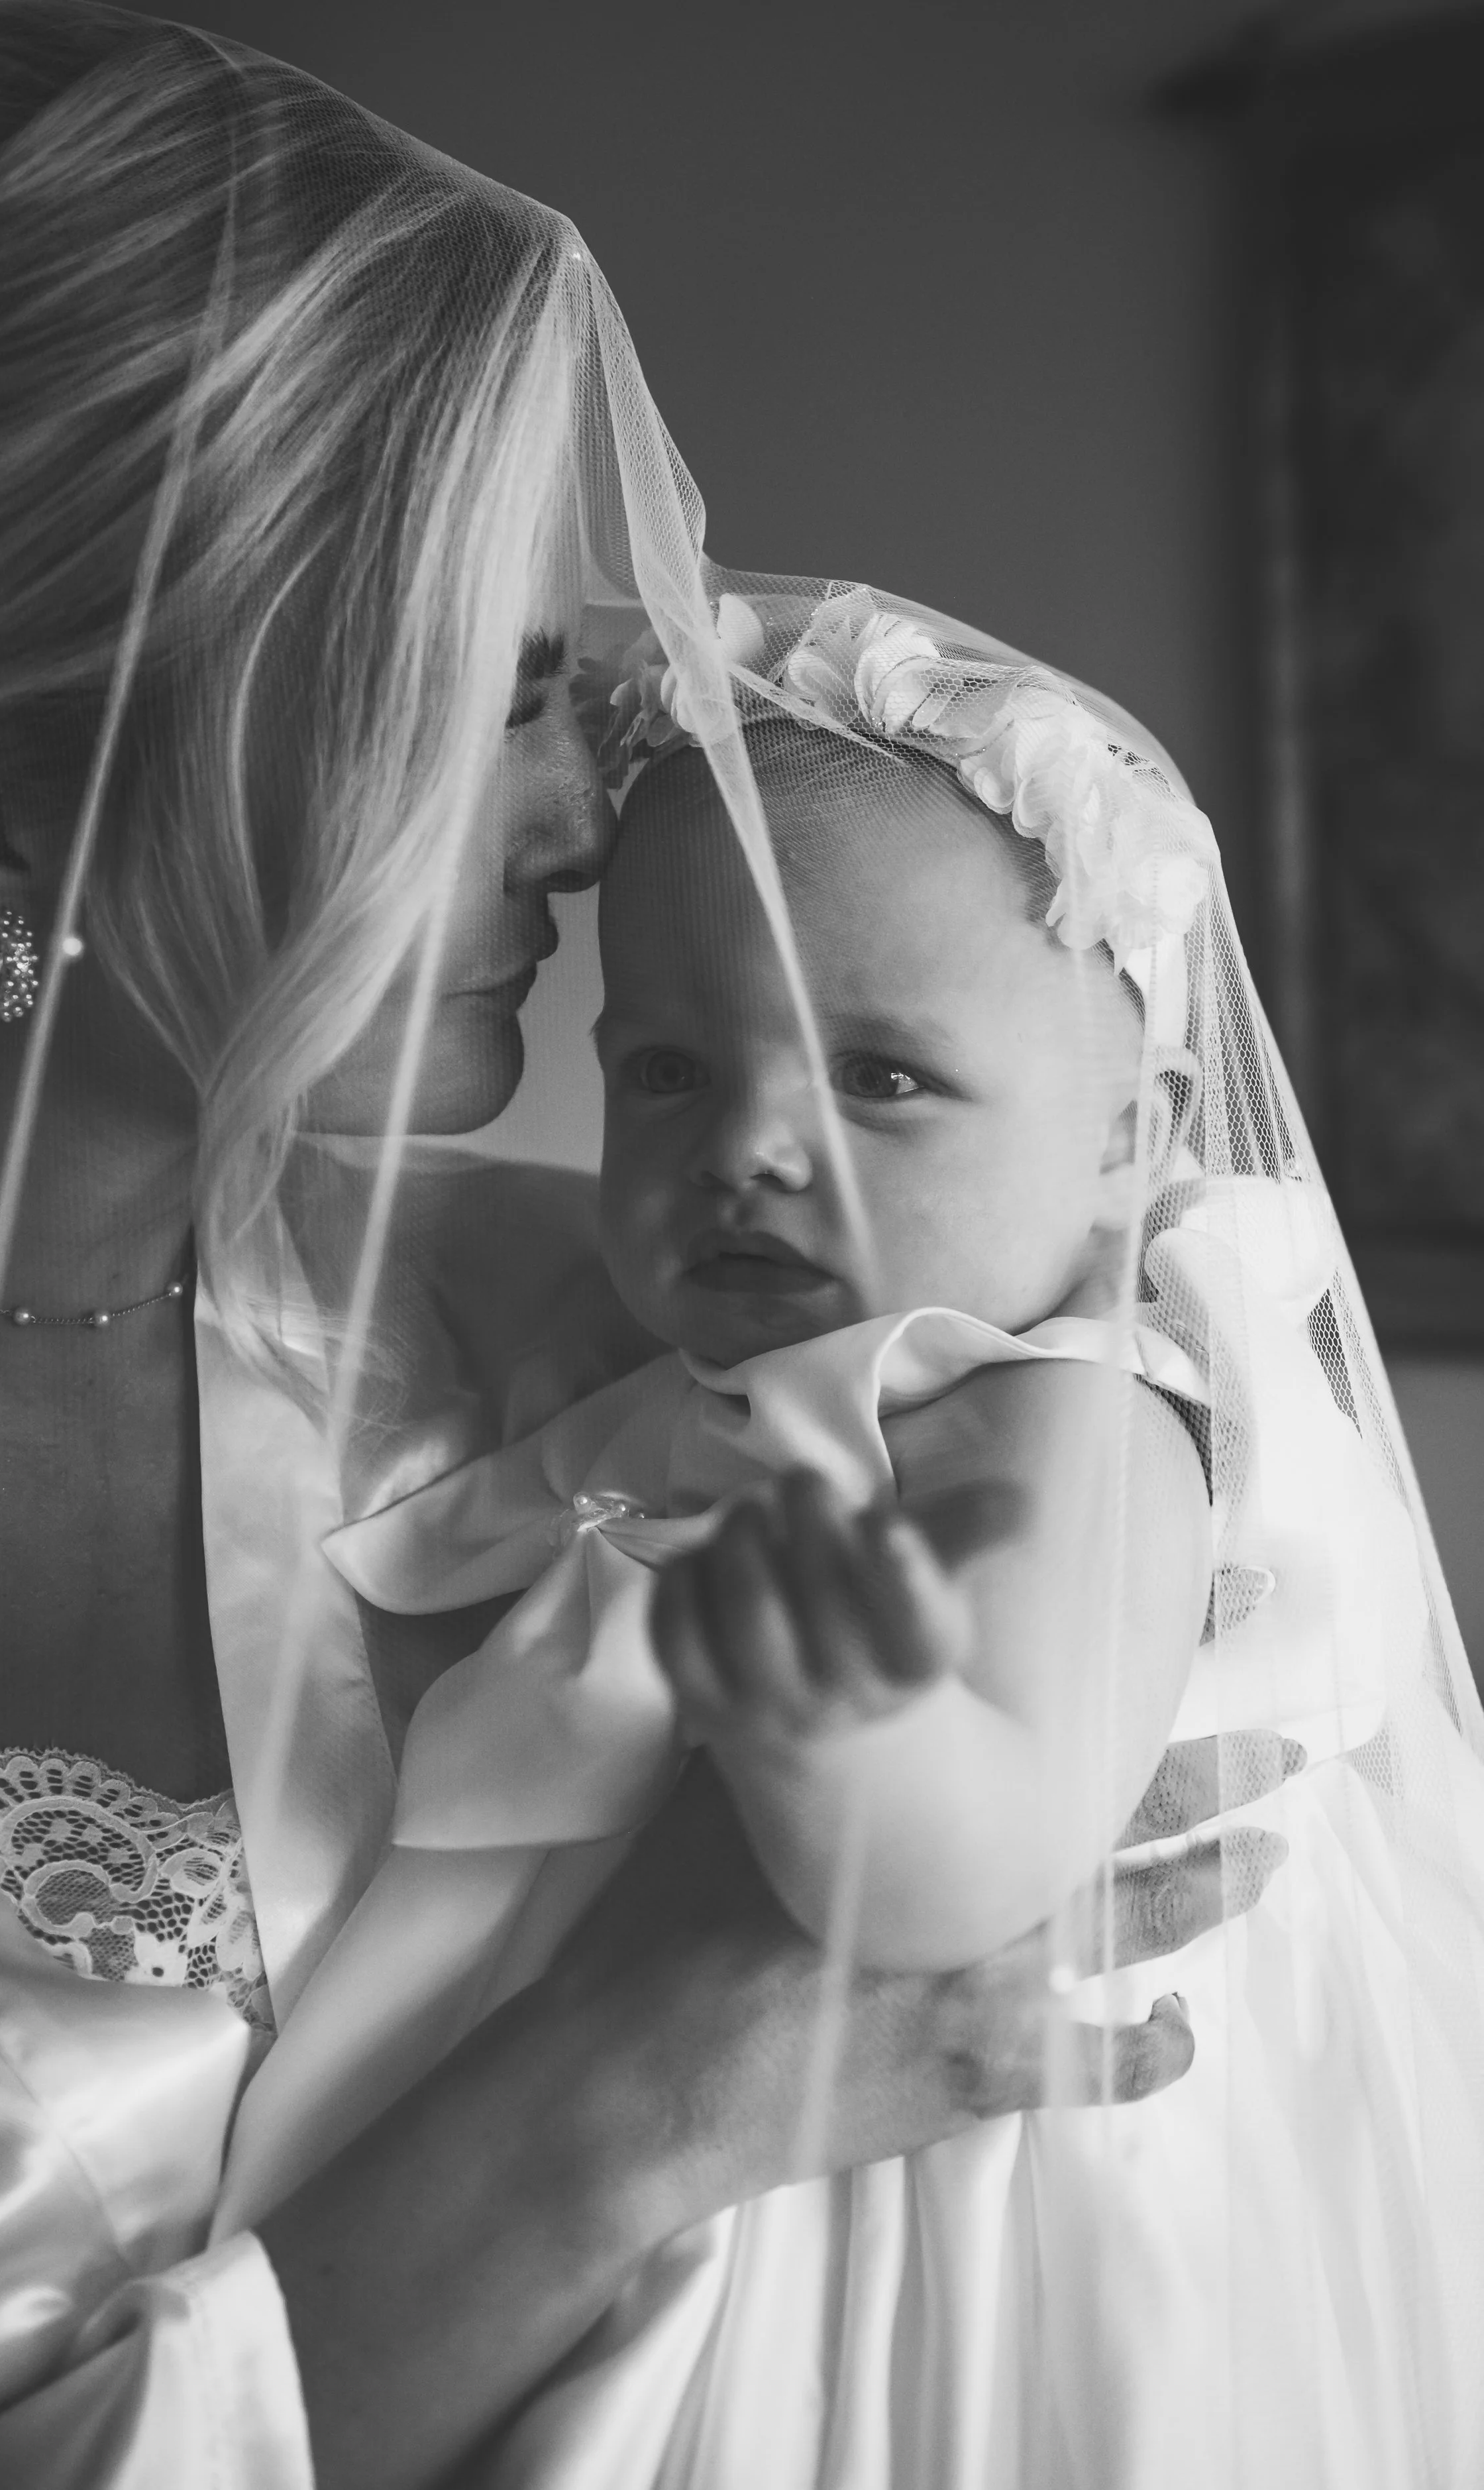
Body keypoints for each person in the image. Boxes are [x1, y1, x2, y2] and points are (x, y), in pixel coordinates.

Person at [0, 6, 1294, 2485]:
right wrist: (632, 2103)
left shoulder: (653, 1338)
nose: (589, 827)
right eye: (472, 701)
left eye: (571, 699)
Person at [321, 588, 1484, 2486]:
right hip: (708, 2150)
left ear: (1127, 1141)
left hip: (959, 2225)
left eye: (880, 1077)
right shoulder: (698, 1382)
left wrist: (834, 1709)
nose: (748, 1147)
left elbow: (971, 1867)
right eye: (667, 1069)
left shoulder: (1078, 1419)